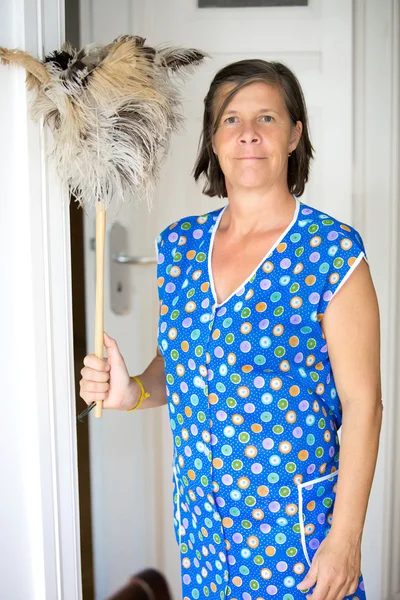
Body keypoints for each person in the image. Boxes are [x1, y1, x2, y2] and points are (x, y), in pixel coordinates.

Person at [80, 60, 382, 600]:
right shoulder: (179, 248)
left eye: (266, 117)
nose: (248, 133)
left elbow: (364, 404)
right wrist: (134, 392)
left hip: (293, 529)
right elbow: (184, 371)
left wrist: (346, 537)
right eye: (230, 119)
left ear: (294, 135)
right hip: (203, 525)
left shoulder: (333, 252)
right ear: (213, 140)